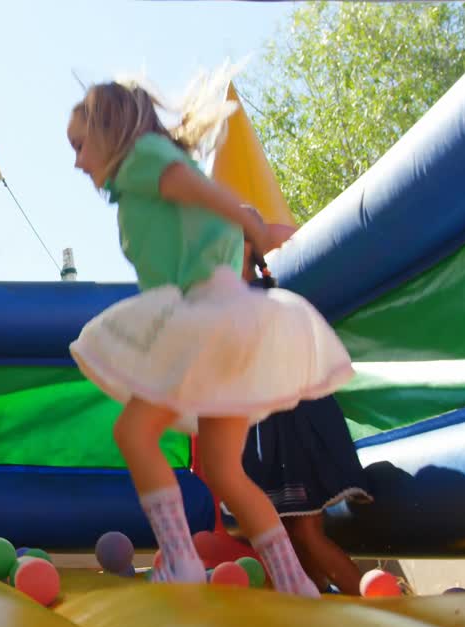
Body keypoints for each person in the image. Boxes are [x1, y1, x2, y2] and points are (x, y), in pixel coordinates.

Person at [64, 71, 353, 597]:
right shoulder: (145, 182)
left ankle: (180, 558)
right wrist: (247, 224)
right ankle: (294, 583)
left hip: (208, 316)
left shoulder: (145, 161)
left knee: (133, 433)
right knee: (223, 469)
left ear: (111, 130)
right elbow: (209, 203)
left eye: (81, 145)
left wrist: (256, 226)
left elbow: (208, 193)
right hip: (232, 323)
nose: (78, 161)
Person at [240, 211, 373, 595]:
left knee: (305, 532)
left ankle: (385, 613)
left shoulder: (259, 300)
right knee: (291, 536)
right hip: (279, 427)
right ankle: (318, 614)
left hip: (292, 428)